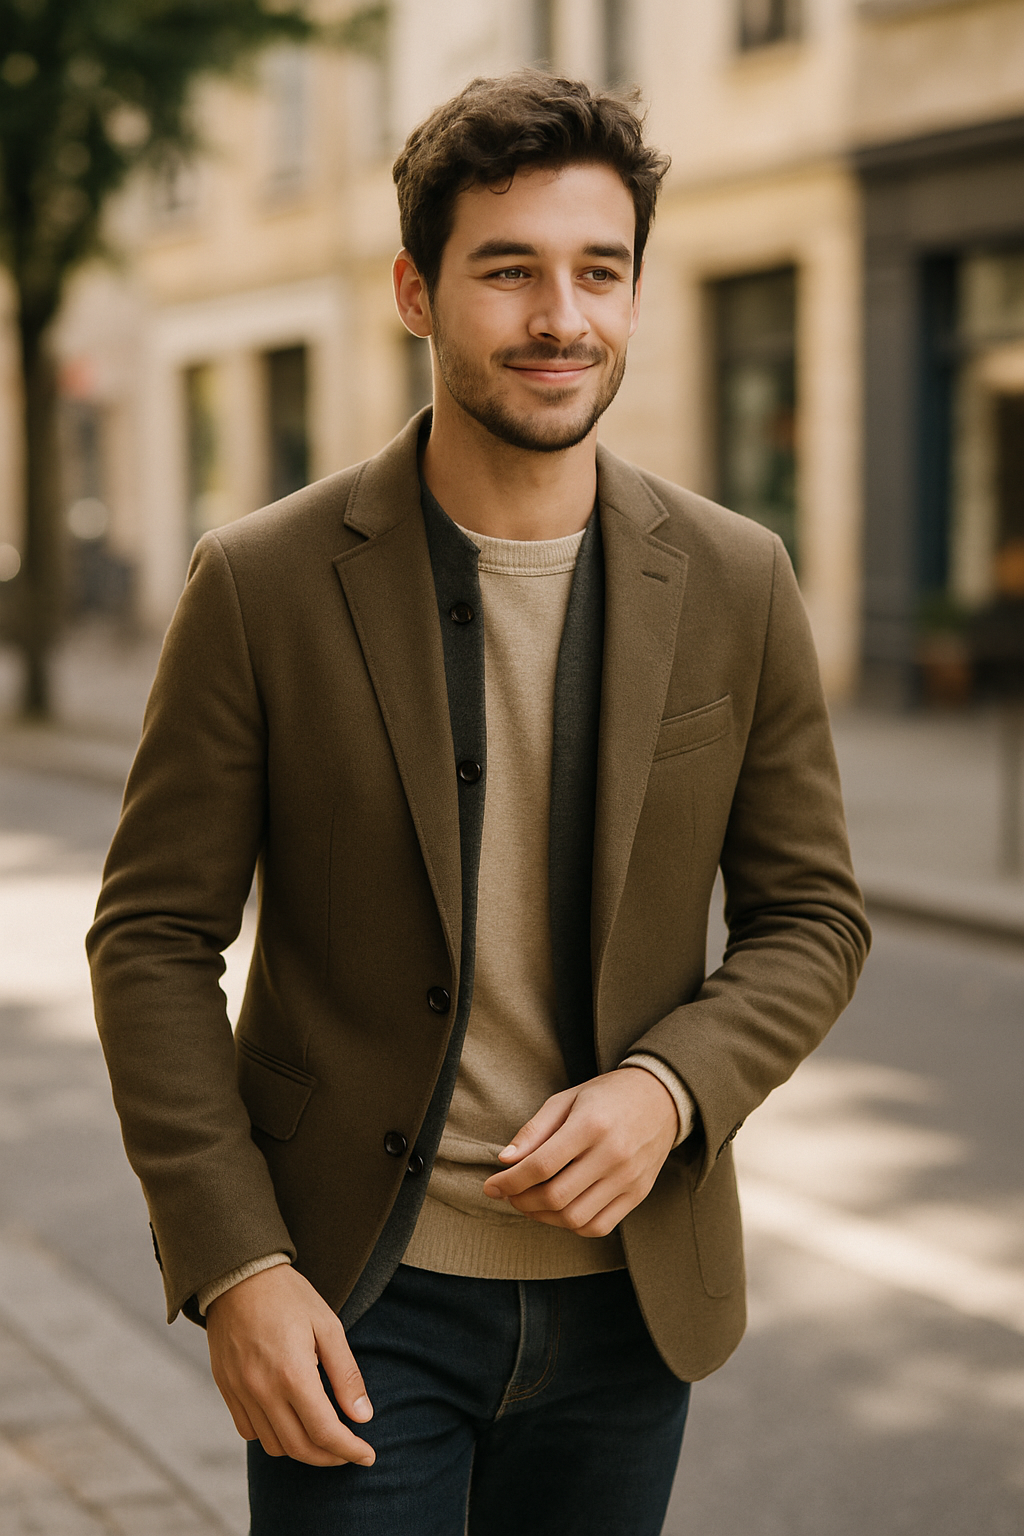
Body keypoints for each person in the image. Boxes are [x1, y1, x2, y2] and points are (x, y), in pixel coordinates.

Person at [88, 70, 870, 1536]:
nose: (559, 316)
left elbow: (812, 916)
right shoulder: (259, 585)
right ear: (416, 290)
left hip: (632, 1308)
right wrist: (237, 1265)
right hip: (352, 1298)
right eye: (507, 270)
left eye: (599, 270)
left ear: (637, 291)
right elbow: (150, 939)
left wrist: (672, 1087)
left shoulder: (738, 580)